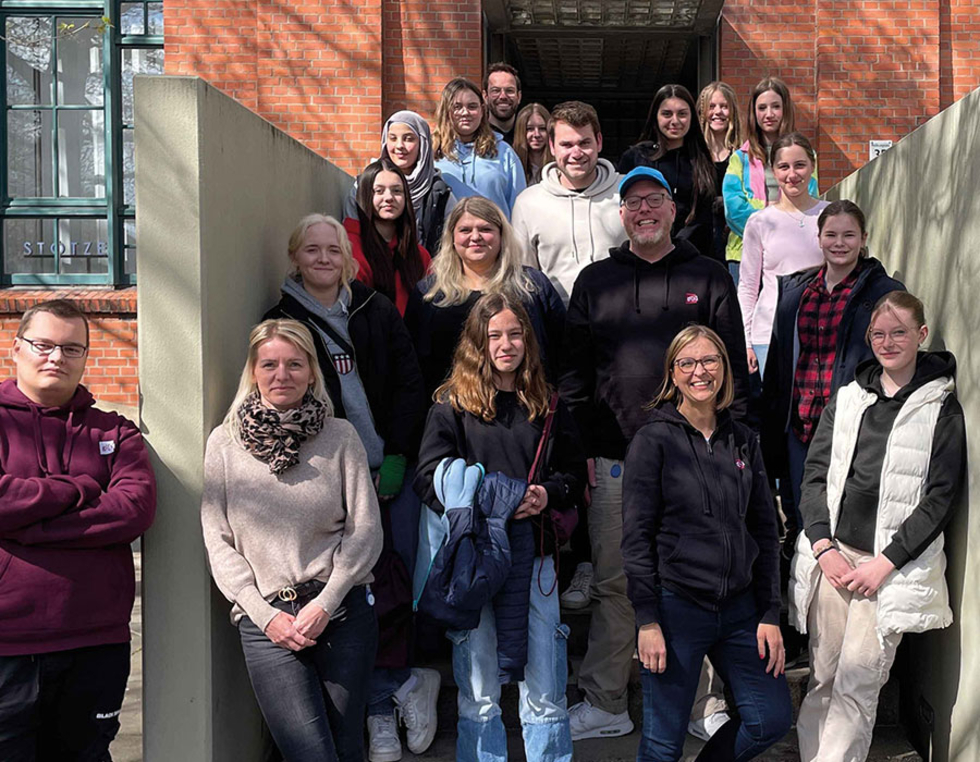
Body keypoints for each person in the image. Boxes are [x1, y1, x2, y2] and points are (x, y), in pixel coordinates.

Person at [561, 166, 750, 741]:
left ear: (673, 209)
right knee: (618, 582)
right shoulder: (594, 282)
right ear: (621, 214)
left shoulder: (709, 275)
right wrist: (582, 458)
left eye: (655, 199)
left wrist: (737, 451)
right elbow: (572, 380)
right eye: (633, 202)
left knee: (699, 581)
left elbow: (734, 370)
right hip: (616, 461)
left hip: (700, 460)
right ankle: (607, 698)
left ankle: (699, 706)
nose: (644, 210)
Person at [263, 215, 439, 762]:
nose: (322, 259)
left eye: (332, 250)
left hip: (386, 467)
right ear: (295, 257)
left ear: (348, 257)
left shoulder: (375, 309)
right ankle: (376, 704)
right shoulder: (281, 321)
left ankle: (394, 689)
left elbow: (412, 384)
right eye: (311, 250)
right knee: (352, 591)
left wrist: (396, 456)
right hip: (325, 481)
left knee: (395, 579)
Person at [791, 292, 965, 762]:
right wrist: (824, 546)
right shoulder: (848, 398)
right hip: (835, 558)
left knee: (859, 680)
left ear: (921, 336)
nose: (888, 342)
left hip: (885, 569)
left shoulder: (941, 407)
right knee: (823, 676)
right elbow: (814, 475)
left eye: (899, 332)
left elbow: (940, 496)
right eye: (879, 334)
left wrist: (884, 564)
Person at [201, 319, 382, 762]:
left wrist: (327, 601)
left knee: (346, 748)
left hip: (341, 612)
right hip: (267, 621)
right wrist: (264, 616)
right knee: (308, 753)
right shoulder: (224, 444)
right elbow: (217, 540)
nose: (282, 375)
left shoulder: (341, 437)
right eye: (270, 365)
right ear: (254, 372)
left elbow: (365, 529)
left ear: (312, 373)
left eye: (294, 364)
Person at [415, 294, 586, 762]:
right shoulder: (450, 407)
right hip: (474, 559)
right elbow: (426, 478)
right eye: (494, 336)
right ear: (477, 343)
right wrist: (484, 500)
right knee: (478, 684)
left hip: (536, 557)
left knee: (546, 684)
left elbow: (573, 475)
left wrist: (544, 494)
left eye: (515, 334)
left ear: (528, 341)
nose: (506, 344)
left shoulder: (548, 403)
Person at [623, 325, 792, 762]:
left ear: (724, 368)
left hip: (740, 611)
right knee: (662, 745)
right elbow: (637, 537)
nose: (700, 371)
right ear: (673, 373)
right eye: (688, 363)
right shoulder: (652, 440)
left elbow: (764, 531)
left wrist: (769, 612)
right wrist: (647, 620)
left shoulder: (744, 440)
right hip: (677, 606)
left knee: (768, 719)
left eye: (710, 360)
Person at [0, 299, 156, 761]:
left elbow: (134, 509)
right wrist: (80, 488)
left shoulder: (116, 432)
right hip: (7, 643)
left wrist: (23, 527)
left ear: (86, 357)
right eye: (43, 345)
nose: (56, 358)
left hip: (95, 640)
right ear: (16, 348)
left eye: (72, 349)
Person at [762, 200, 904, 542]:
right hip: (801, 425)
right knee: (800, 514)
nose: (840, 243)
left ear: (863, 238)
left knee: (843, 516)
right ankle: (799, 585)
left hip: (851, 426)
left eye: (849, 235)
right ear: (819, 237)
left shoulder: (883, 294)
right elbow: (781, 361)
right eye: (831, 235)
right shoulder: (796, 293)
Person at [405, 196, 566, 400]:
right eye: (465, 230)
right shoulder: (429, 295)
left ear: (501, 235)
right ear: (452, 238)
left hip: (527, 408)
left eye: (485, 229)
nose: (475, 237)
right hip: (454, 413)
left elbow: (563, 350)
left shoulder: (532, 286)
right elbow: (413, 365)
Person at [512, 100, 626, 305]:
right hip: (556, 325)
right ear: (552, 147)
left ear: (599, 142)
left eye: (584, 143)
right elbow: (524, 280)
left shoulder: (627, 193)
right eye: (566, 144)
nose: (576, 153)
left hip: (620, 321)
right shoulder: (528, 203)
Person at [738, 132, 828, 379]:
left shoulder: (830, 216)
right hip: (769, 335)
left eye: (800, 165)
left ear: (812, 166)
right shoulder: (759, 222)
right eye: (783, 166)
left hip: (822, 332)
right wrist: (746, 340)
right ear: (773, 170)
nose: (792, 174)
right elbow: (747, 287)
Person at [723, 77, 817, 285]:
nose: (769, 114)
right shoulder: (739, 158)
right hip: (743, 254)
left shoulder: (808, 157)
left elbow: (808, 202)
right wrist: (770, 226)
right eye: (762, 107)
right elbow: (733, 209)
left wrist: (776, 229)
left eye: (776, 106)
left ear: (786, 110)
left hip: (791, 252)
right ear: (753, 112)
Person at [619, 85, 718, 262]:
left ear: (691, 118)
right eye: (667, 114)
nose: (675, 121)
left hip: (693, 259)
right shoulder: (635, 158)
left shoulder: (702, 161)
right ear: (655, 117)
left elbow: (704, 218)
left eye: (682, 114)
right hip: (645, 257)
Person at [344, 111, 457, 253]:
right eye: (392, 138)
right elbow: (351, 237)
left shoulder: (439, 194)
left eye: (408, 139)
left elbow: (451, 245)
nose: (399, 146)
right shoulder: (363, 186)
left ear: (422, 144)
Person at [345, 158, 431, 316]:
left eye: (397, 191)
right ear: (365, 195)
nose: (389, 197)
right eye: (379, 191)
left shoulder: (420, 256)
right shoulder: (350, 247)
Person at [433, 78, 526, 218]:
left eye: (472, 106)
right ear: (446, 111)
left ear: (482, 110)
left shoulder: (504, 152)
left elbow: (520, 211)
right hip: (445, 238)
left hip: (494, 237)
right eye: (457, 107)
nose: (465, 113)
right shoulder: (432, 152)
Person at [697, 81, 744, 269]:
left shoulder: (744, 155)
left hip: (734, 244)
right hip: (699, 243)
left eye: (724, 106)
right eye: (712, 106)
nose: (718, 112)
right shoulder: (695, 154)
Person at [513, 103, 554, 186]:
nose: (537, 134)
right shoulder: (512, 163)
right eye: (530, 129)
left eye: (542, 128)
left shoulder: (558, 165)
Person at [483, 62, 523, 145]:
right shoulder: (475, 137)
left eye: (509, 90)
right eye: (496, 90)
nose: (503, 96)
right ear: (485, 96)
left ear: (518, 96)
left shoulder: (530, 137)